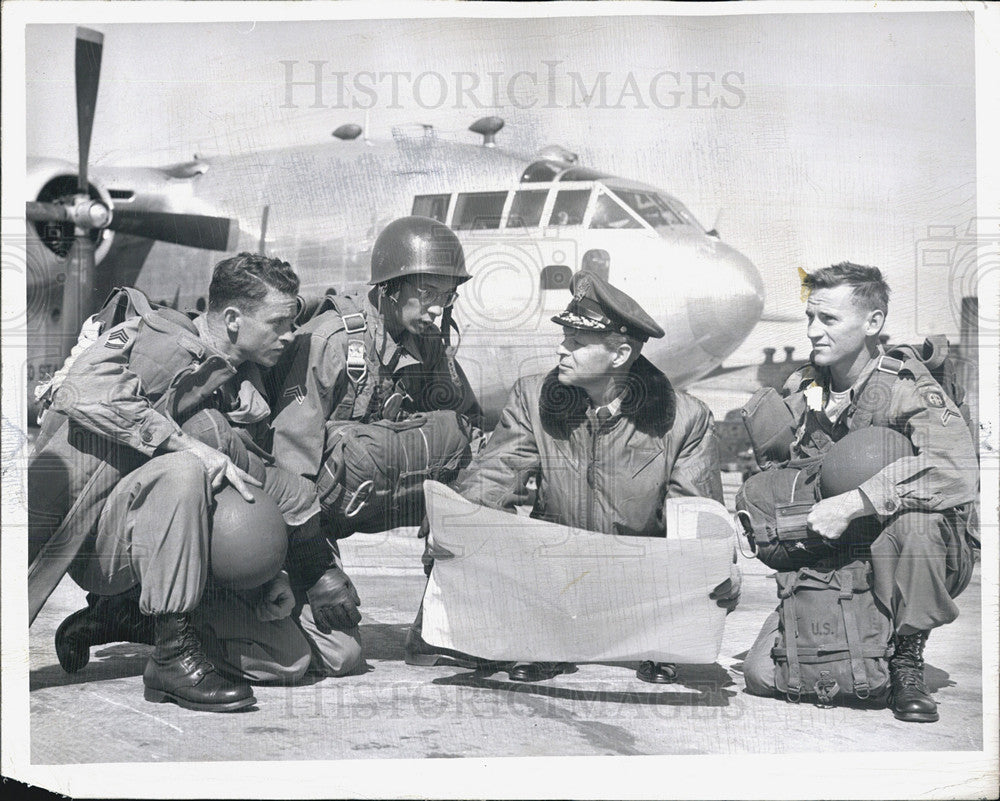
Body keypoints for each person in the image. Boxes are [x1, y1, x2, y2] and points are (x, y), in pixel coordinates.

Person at [410, 271, 740, 683]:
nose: (561, 350)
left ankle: (658, 646)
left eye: (577, 344)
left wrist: (717, 571)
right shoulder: (534, 398)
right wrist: (453, 527)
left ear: (619, 355)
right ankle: (542, 640)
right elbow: (494, 478)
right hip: (554, 580)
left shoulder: (685, 419)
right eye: (565, 338)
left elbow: (696, 518)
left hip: (638, 587)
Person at [29, 253, 316, 712]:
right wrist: (186, 444)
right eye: (279, 322)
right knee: (185, 469)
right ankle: (170, 657)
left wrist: (269, 573)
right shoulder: (160, 338)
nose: (291, 335)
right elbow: (82, 390)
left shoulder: (229, 373)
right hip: (85, 539)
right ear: (233, 319)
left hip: (147, 540)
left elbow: (248, 485)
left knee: (288, 660)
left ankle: (124, 615)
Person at [741, 262, 979, 722]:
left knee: (916, 521)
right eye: (810, 317)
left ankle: (907, 654)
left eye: (828, 320)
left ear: (873, 323)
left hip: (915, 548)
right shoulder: (802, 387)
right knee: (763, 676)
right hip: (838, 550)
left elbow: (957, 469)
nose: (813, 331)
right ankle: (862, 634)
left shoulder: (905, 386)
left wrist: (856, 501)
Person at [265, 215, 483, 678]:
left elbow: (474, 431)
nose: (437, 308)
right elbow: (288, 471)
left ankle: (441, 627)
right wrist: (316, 569)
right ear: (390, 288)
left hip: (377, 492)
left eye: (447, 296)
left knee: (474, 467)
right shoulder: (333, 341)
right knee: (341, 658)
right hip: (310, 518)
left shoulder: (430, 345)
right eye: (427, 293)